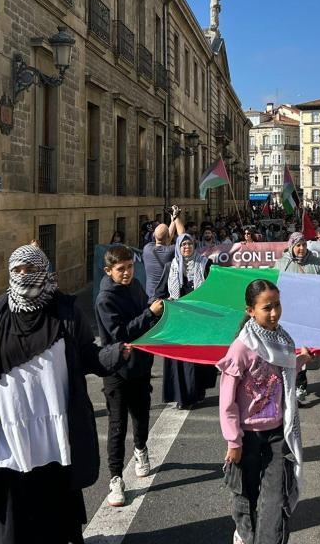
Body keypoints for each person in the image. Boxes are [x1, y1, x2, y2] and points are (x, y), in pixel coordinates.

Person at [0, 244, 133, 544]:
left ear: (45, 271)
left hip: (55, 434)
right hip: (9, 437)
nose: (25, 276)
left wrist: (117, 353)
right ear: (10, 273)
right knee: (11, 514)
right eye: (18, 271)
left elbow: (89, 357)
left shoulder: (65, 312)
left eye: (32, 270)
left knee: (55, 510)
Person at [218, 279, 312, 544]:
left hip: (276, 433)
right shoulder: (240, 348)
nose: (274, 313)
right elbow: (227, 400)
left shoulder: (281, 339)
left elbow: (286, 364)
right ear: (251, 310)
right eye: (267, 308)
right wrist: (233, 440)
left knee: (275, 499)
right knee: (245, 494)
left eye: (278, 305)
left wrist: (302, 360)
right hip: (247, 437)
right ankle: (245, 535)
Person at [95, 245, 164, 507]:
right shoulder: (105, 298)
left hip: (140, 365)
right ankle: (115, 478)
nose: (126, 273)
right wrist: (149, 314)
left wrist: (157, 311)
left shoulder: (135, 285)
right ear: (108, 270)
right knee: (117, 424)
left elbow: (144, 315)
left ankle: (140, 450)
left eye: (130, 267)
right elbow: (120, 333)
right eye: (120, 269)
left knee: (141, 413)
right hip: (116, 368)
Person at [153, 235, 217, 408]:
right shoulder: (170, 267)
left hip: (199, 320)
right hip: (178, 320)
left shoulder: (205, 264)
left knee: (197, 360)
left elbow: (213, 289)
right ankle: (182, 398)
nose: (187, 247)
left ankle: (197, 392)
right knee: (180, 360)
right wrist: (166, 301)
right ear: (178, 248)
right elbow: (158, 293)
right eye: (183, 244)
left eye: (189, 243)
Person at [274, 233, 320, 403]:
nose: (301, 248)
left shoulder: (316, 263)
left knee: (305, 349)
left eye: (304, 245)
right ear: (291, 246)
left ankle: (299, 383)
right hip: (289, 315)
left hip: (310, 315)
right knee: (290, 350)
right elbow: (274, 287)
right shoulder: (282, 264)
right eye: (298, 245)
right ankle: (294, 384)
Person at [142, 206, 184, 298]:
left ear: (154, 235)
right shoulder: (170, 251)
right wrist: (177, 218)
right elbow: (183, 239)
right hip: (166, 298)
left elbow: (165, 239)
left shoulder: (147, 249)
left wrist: (173, 218)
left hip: (150, 297)